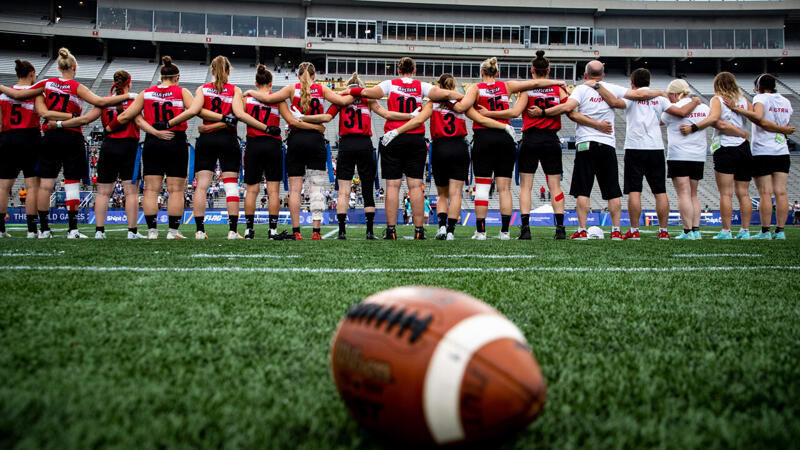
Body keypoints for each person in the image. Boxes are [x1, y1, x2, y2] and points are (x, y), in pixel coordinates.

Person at [474, 51, 610, 240]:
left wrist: (488, 113)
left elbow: (514, 113)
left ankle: (525, 229)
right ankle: (560, 228)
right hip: (551, 139)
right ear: (548, 70)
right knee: (555, 186)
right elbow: (569, 110)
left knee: (526, 188)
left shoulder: (527, 90)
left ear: (532, 71)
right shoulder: (559, 90)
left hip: (530, 139)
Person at [0, 48, 130, 238]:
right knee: (71, 183)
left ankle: (42, 229)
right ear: (74, 66)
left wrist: (2, 87)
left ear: (59, 67)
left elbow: (22, 98)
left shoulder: (46, 84)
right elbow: (100, 101)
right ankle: (72, 229)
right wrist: (128, 96)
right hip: (70, 136)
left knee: (43, 184)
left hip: (48, 136)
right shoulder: (76, 87)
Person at [527, 60, 664, 240]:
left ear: (585, 75)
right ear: (603, 75)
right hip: (607, 144)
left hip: (585, 144)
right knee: (612, 191)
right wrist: (662, 92)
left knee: (583, 190)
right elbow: (639, 95)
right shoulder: (611, 87)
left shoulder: (582, 89)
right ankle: (616, 230)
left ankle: (582, 229)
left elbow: (567, 108)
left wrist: (543, 113)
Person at [341, 56, 465, 240]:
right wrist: (463, 96)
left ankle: (391, 230)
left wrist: (350, 90)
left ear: (398, 71)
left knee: (392, 186)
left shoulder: (390, 84)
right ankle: (419, 231)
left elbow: (368, 93)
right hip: (415, 138)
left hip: (394, 137)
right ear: (414, 71)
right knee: (415, 186)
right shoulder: (421, 86)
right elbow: (445, 94)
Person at [382, 73, 513, 240]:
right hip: (459, 147)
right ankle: (451, 231)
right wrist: (504, 128)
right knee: (456, 193)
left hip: (440, 148)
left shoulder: (433, 103)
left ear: (439, 86)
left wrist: (396, 131)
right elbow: (481, 119)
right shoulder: (462, 104)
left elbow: (417, 121)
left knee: (442, 194)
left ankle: (442, 228)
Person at [451, 56, 566, 240]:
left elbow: (461, 107)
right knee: (504, 188)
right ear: (497, 73)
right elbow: (534, 84)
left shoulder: (475, 88)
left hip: (485, 137)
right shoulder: (507, 86)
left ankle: (481, 231)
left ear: (481, 73)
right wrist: (558, 82)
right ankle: (505, 231)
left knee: (481, 187)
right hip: (507, 139)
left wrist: (451, 97)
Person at [47, 70, 169, 239]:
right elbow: (140, 122)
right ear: (129, 83)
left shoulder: (104, 101)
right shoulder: (133, 101)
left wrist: (60, 124)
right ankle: (132, 231)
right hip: (129, 147)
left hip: (108, 146)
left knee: (103, 193)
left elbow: (84, 119)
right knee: (131, 192)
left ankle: (99, 231)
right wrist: (157, 132)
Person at [223, 64, 324, 239]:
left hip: (253, 144)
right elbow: (293, 121)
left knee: (251, 189)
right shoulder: (278, 100)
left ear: (256, 83)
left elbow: (237, 116)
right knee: (273, 191)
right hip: (273, 145)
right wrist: (317, 127)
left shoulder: (246, 99)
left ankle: (249, 229)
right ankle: (272, 229)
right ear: (271, 84)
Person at [245, 62, 344, 240]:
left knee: (295, 189)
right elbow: (341, 102)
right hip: (316, 141)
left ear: (298, 76)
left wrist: (250, 92)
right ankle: (316, 231)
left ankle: (296, 230)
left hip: (296, 139)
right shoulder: (321, 90)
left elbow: (267, 99)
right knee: (317, 188)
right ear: (314, 76)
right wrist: (322, 123)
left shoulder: (291, 89)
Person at [108, 56, 197, 239]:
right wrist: (170, 123)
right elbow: (193, 110)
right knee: (176, 190)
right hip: (175, 138)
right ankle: (172, 231)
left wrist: (109, 128)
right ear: (176, 78)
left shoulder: (146, 93)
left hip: (152, 141)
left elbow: (126, 116)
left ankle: (152, 231)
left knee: (151, 189)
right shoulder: (181, 92)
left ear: (161, 76)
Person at [325, 73, 412, 240]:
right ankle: (370, 231)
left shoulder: (341, 98)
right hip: (365, 144)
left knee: (343, 192)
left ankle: (342, 231)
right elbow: (387, 114)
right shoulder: (368, 99)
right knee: (367, 190)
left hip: (346, 144)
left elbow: (328, 117)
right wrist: (409, 116)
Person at [678, 72, 754, 240]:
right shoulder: (743, 101)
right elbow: (756, 115)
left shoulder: (717, 99)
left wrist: (694, 127)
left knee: (726, 193)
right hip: (744, 147)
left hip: (725, 146)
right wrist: (742, 131)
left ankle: (726, 231)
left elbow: (714, 119)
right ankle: (745, 230)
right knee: (744, 193)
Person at [723, 73, 795, 239]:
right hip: (782, 150)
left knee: (765, 193)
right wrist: (782, 130)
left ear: (758, 86)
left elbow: (759, 118)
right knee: (781, 192)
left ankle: (765, 231)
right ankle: (780, 231)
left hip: (763, 150)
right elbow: (784, 122)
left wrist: (736, 108)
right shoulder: (785, 101)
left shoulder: (760, 98)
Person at [661, 79, 715, 240]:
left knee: (683, 194)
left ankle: (687, 231)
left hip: (679, 154)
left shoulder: (673, 108)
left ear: (675, 94)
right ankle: (696, 230)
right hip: (698, 155)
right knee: (693, 194)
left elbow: (658, 122)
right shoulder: (704, 107)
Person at [0, 59, 41, 238]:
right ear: (31, 74)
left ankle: (1, 229)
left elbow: (0, 123)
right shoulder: (36, 92)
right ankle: (32, 229)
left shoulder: (2, 95)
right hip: (30, 136)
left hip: (8, 137)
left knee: (3, 186)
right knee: (32, 185)